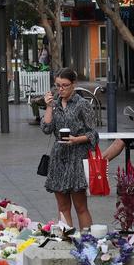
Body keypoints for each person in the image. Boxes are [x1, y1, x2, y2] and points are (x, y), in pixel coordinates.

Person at [40, 67, 98, 230]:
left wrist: (76, 139)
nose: (61, 89)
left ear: (73, 84)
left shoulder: (82, 104)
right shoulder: (55, 103)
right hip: (59, 158)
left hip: (77, 158)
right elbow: (46, 129)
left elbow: (93, 134)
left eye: (64, 85)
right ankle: (66, 242)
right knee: (63, 207)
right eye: (58, 85)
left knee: (80, 207)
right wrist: (49, 106)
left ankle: (87, 241)